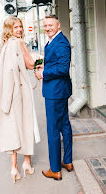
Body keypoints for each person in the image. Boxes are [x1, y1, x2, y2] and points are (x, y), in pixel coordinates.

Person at [0, 16, 40, 184]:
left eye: (20, 26)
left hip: (9, 93)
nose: (19, 30)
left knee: (12, 127)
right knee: (26, 125)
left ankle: (13, 167)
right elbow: (29, 64)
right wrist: (38, 59)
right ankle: (27, 163)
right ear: (9, 29)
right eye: (16, 27)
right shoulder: (19, 43)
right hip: (21, 92)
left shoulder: (5, 46)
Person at [35, 15, 72, 181]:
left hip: (55, 92)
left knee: (53, 130)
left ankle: (55, 169)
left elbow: (63, 69)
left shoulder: (61, 42)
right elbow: (56, 62)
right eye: (45, 25)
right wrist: (45, 65)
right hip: (59, 91)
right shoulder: (54, 40)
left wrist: (43, 73)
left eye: (50, 25)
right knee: (64, 125)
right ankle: (68, 162)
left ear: (58, 25)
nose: (47, 28)